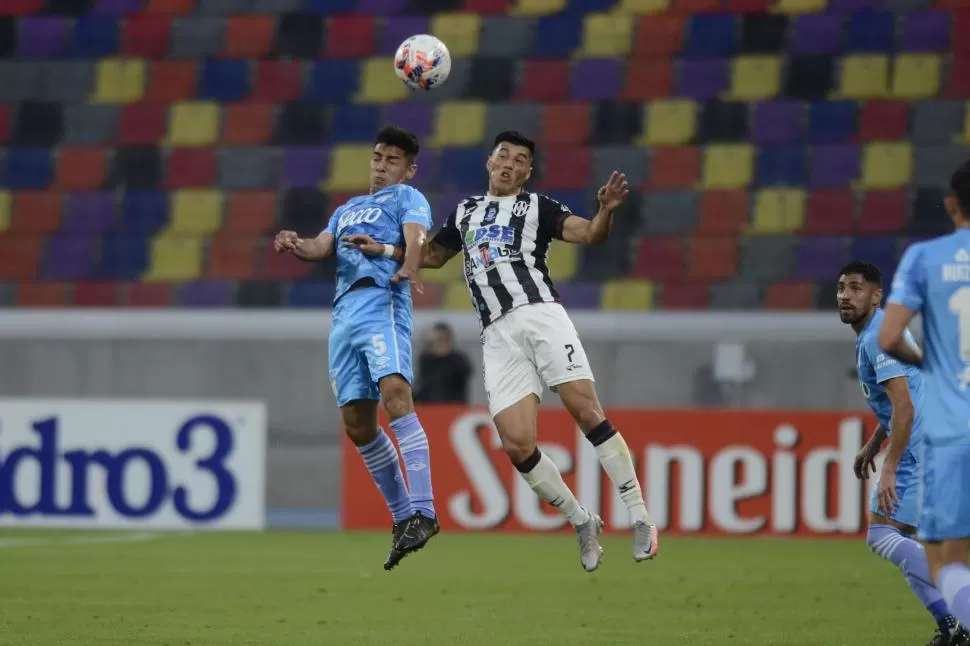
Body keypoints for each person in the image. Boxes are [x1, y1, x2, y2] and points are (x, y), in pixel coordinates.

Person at [344, 131, 657, 572]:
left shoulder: (538, 208)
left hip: (541, 316)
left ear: (528, 172)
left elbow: (589, 234)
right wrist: (387, 249)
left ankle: (640, 516)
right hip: (496, 335)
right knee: (516, 444)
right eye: (503, 156)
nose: (509, 163)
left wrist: (604, 210)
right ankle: (581, 520)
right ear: (490, 162)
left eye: (520, 159)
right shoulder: (467, 212)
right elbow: (432, 256)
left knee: (586, 411)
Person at [273, 125, 438, 571]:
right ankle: (404, 519)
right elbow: (319, 247)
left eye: (392, 161)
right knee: (357, 425)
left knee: (395, 395)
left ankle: (424, 509)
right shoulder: (346, 209)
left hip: (380, 300)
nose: (381, 166)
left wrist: (405, 265)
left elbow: (417, 238)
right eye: (377, 158)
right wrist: (295, 243)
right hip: (343, 315)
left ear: (409, 169)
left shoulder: (409, 198)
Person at [838, 260, 968, 646]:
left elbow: (905, 406)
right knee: (903, 541)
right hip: (933, 441)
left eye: (856, 288)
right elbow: (901, 398)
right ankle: (952, 628)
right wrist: (873, 444)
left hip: (922, 449)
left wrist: (890, 466)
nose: (845, 295)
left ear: (876, 297)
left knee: (882, 536)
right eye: (842, 287)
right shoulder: (878, 334)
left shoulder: (880, 337)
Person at [881, 159, 970, 635]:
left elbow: (890, 336)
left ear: (952, 205)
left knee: (946, 561)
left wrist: (933, 363)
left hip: (954, 429)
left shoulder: (924, 258)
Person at [414, 322, 472, 403]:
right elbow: (424, 384)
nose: (438, 343)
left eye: (441, 339)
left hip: (452, 408)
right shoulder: (426, 359)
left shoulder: (458, 360)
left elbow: (464, 373)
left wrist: (445, 353)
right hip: (428, 408)